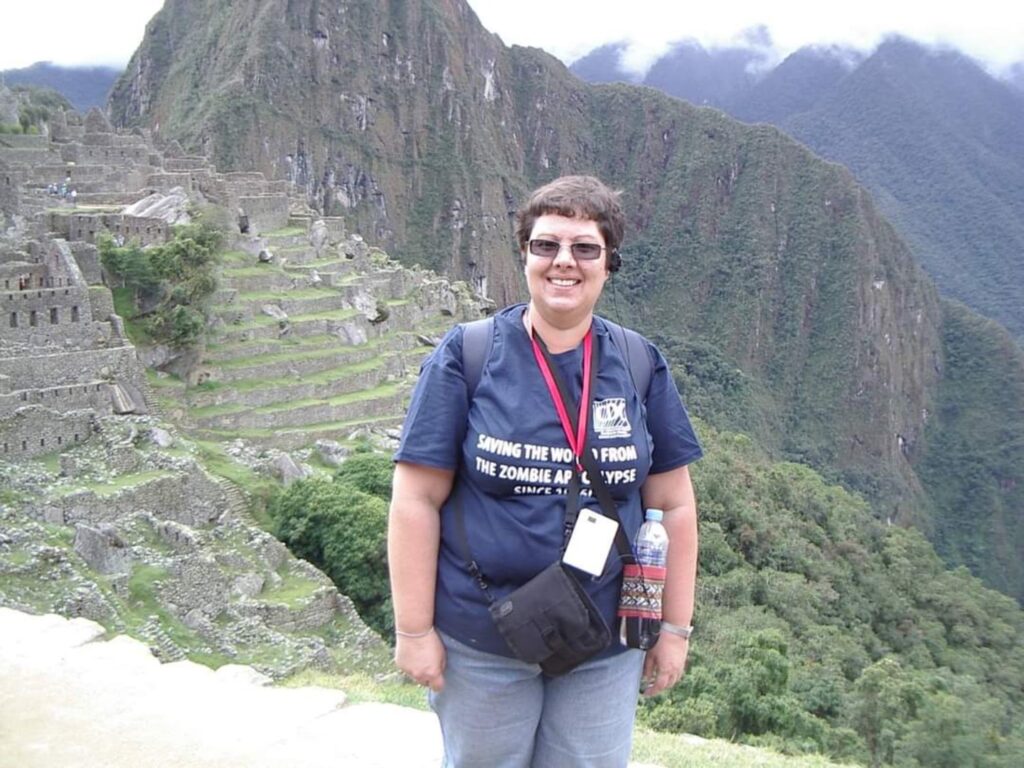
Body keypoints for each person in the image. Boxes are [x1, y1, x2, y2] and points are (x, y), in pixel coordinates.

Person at [389, 175, 702, 767]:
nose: (564, 262)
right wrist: (413, 630)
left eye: (585, 248)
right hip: (481, 636)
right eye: (546, 245)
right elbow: (415, 498)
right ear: (525, 255)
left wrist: (675, 630)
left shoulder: (638, 364)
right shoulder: (469, 355)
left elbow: (676, 504)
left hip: (604, 638)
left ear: (609, 263)